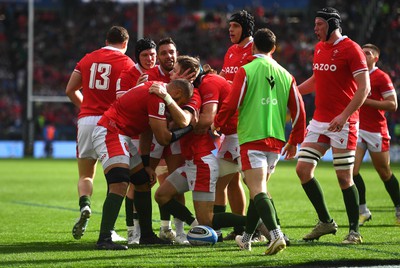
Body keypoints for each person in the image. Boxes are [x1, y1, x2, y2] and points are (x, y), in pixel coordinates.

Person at [211, 28, 306, 255]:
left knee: (257, 189)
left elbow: (232, 102)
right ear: (274, 48)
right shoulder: (286, 75)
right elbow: (299, 110)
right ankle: (246, 238)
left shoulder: (247, 70)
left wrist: (218, 123)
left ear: (253, 48)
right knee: (257, 191)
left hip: (252, 138)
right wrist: (295, 139)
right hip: (276, 140)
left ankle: (275, 234)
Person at [295, 7, 370, 244]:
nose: (315, 29)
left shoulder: (352, 49)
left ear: (331, 25)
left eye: (319, 25)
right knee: (302, 170)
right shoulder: (319, 48)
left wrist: (345, 116)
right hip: (319, 120)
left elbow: (364, 88)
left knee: (344, 177)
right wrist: (293, 93)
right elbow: (317, 79)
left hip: (344, 123)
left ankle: (354, 232)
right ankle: (326, 222)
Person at [154, 56, 248, 242]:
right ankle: (198, 225)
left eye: (175, 70)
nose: (170, 74)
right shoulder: (193, 89)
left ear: (188, 74)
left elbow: (205, 121)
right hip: (195, 160)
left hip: (221, 147)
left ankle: (257, 223)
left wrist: (176, 125)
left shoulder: (200, 90)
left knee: (252, 185)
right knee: (161, 195)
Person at [92, 79, 194, 250]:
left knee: (142, 181)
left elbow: (147, 129)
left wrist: (146, 164)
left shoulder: (156, 89)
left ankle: (146, 235)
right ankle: (104, 238)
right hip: (111, 131)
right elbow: (162, 138)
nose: (174, 107)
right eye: (178, 102)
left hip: (121, 134)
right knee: (120, 183)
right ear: (176, 93)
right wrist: (189, 128)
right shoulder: (158, 97)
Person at [65, 26, 134, 241]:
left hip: (86, 121)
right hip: (110, 124)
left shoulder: (88, 59)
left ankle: (85, 203)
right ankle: (109, 230)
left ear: (106, 39)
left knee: (86, 175)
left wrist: (86, 107)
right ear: (125, 43)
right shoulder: (126, 63)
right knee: (115, 179)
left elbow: (70, 90)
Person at [215, 9, 255, 241]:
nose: (230, 30)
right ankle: (235, 229)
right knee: (226, 181)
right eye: (230, 26)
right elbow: (224, 80)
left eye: (235, 26)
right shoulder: (231, 52)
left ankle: (264, 228)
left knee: (253, 184)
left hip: (247, 128)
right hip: (229, 128)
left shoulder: (255, 50)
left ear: (246, 29)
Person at [353, 43, 399, 225]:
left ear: (376, 58)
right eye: (362, 52)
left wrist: (366, 100)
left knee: (384, 172)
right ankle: (363, 210)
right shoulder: (355, 74)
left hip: (376, 130)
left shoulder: (381, 77)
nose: (364, 55)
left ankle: (398, 208)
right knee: (351, 170)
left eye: (368, 53)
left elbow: (392, 104)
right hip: (357, 128)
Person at [117, 37, 157, 245]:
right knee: (133, 184)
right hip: (129, 136)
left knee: (149, 183)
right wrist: (137, 88)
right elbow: (121, 103)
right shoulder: (127, 74)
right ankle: (134, 232)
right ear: (137, 57)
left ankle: (160, 230)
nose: (150, 59)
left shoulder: (158, 73)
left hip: (150, 135)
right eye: (145, 55)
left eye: (152, 54)